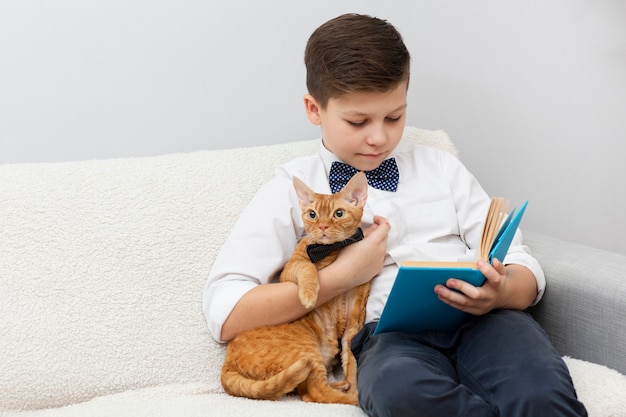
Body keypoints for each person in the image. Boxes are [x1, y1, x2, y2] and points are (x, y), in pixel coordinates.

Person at [203, 13, 587, 417]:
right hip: (387, 336)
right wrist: (342, 276)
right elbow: (226, 311)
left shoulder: (442, 168)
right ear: (314, 109)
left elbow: (520, 264)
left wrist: (502, 292)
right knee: (400, 395)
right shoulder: (294, 189)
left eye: (394, 117)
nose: (379, 137)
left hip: (489, 322)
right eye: (358, 121)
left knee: (540, 393)